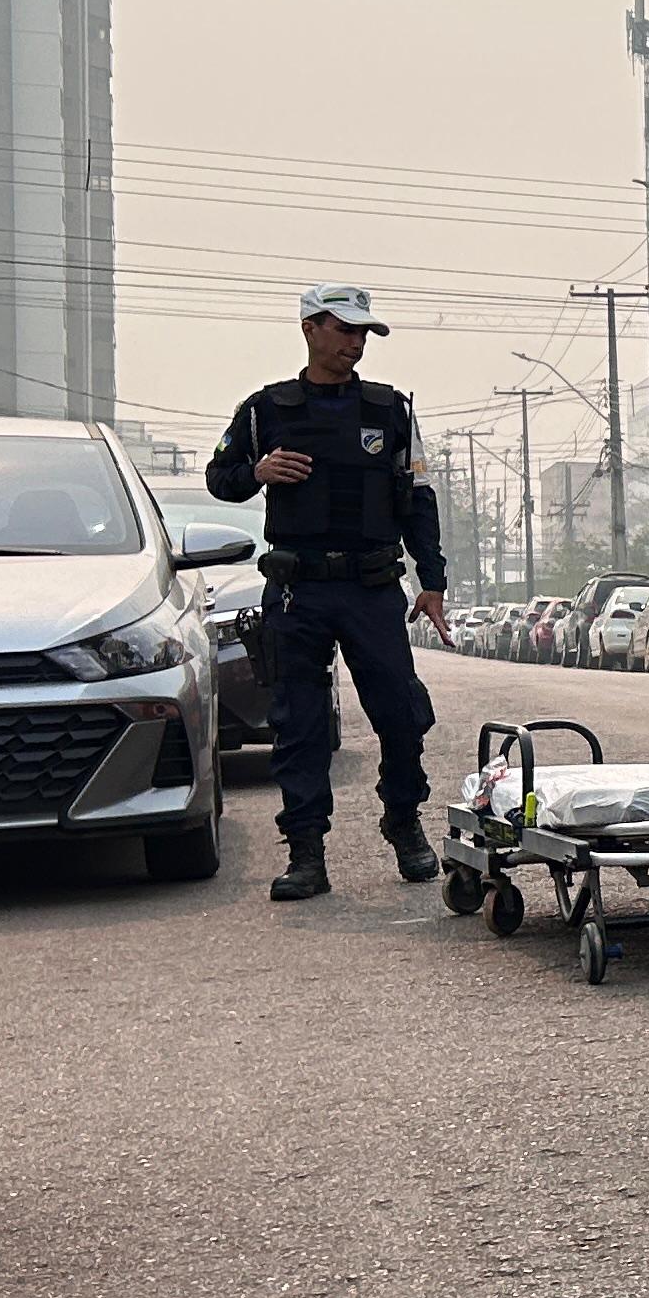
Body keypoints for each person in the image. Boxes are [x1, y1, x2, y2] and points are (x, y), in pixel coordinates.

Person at [206, 282, 449, 903]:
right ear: (310, 328)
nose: (356, 342)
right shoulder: (267, 409)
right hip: (298, 591)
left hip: (371, 587)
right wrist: (256, 472)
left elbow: (418, 498)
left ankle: (404, 821)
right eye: (345, 329)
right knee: (300, 725)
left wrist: (433, 581)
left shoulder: (389, 411)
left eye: (364, 332)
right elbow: (220, 479)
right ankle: (307, 852)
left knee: (400, 711)